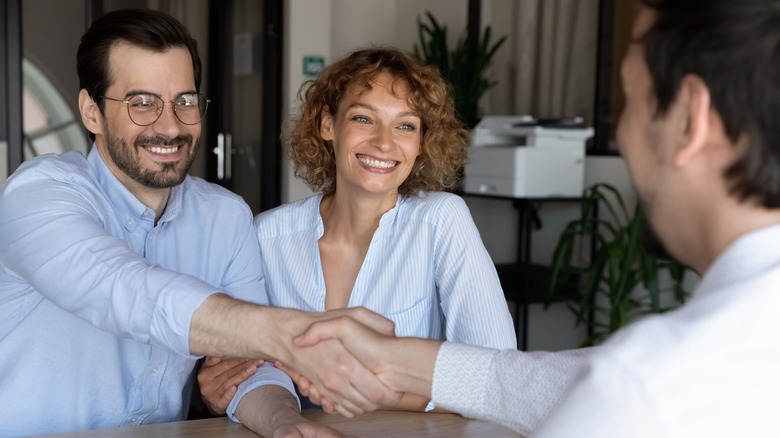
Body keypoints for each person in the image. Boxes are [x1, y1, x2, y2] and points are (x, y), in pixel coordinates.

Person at [283, 0, 780, 436]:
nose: (621, 131)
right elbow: (534, 382)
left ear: (690, 118)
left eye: (628, 99)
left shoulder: (644, 388)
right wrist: (389, 364)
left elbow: (601, 386)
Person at [0, 9, 398, 437]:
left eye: (185, 101)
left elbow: (250, 372)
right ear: (91, 112)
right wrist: (285, 333)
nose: (170, 126)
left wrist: (287, 425)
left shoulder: (224, 217)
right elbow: (123, 289)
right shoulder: (37, 194)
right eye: (142, 103)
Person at [198, 47, 517, 426]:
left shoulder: (441, 221)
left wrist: (383, 394)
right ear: (327, 125)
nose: (385, 142)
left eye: (405, 125)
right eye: (364, 118)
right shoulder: (267, 236)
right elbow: (240, 373)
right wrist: (224, 389)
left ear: (420, 142)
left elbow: (498, 377)